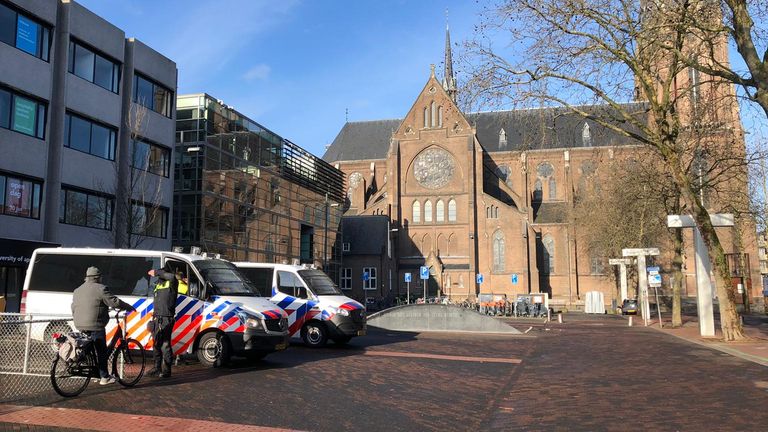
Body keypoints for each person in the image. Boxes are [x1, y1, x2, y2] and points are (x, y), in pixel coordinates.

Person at [71, 266, 134, 385]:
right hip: (95, 325)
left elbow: (73, 307)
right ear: (97, 277)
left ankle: (95, 371)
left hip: (79, 324)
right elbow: (113, 302)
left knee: (89, 348)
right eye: (100, 277)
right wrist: (128, 306)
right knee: (101, 351)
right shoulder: (101, 288)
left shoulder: (77, 290)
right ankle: (104, 377)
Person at [147, 265, 178, 378]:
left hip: (166, 318)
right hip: (157, 317)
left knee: (165, 345)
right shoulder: (158, 285)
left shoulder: (172, 282)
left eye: (162, 273)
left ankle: (166, 370)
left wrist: (156, 272)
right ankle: (157, 368)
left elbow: (172, 277)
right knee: (156, 344)